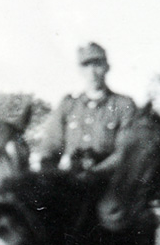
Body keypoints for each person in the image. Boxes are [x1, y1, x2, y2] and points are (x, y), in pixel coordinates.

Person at [37, 42, 137, 175]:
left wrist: (95, 172)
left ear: (107, 67)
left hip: (108, 181)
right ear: (80, 70)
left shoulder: (124, 105)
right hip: (70, 179)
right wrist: (49, 171)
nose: (92, 72)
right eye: (86, 66)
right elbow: (52, 144)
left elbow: (126, 151)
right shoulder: (68, 105)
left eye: (98, 65)